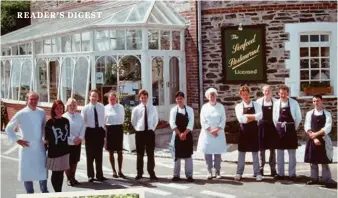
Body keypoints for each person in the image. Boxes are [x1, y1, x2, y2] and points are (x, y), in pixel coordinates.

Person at [5, 92, 48, 194]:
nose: (33, 101)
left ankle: (45, 192)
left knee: (42, 172)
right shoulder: (21, 113)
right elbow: (9, 128)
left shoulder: (41, 112)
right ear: (27, 100)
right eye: (31, 99)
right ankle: (30, 194)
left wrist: (46, 140)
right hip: (26, 148)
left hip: (39, 147)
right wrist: (17, 140)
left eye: (35, 99)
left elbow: (44, 128)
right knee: (27, 173)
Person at [273, 85, 302, 181]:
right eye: (281, 93)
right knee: (279, 153)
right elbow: (274, 118)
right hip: (280, 130)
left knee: (292, 153)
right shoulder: (276, 103)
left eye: (285, 93)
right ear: (278, 93)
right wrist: (279, 127)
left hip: (290, 130)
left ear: (288, 93)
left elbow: (298, 118)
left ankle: (292, 174)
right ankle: (280, 173)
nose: (283, 95)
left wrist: (293, 127)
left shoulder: (294, 103)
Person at [304, 95, 334, 188]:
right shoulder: (309, 113)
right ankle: (314, 178)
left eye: (317, 101)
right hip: (313, 139)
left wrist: (316, 135)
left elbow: (327, 127)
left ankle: (326, 179)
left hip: (323, 140)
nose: (316, 103)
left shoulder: (327, 114)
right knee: (313, 161)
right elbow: (307, 126)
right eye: (314, 101)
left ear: (322, 101)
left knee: (324, 161)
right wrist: (314, 137)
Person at [197, 88, 227, 180]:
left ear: (216, 96)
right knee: (208, 153)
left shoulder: (220, 107)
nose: (212, 97)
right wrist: (210, 130)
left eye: (214, 95)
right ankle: (209, 171)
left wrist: (217, 130)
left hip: (218, 132)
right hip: (207, 133)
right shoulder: (204, 107)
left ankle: (217, 170)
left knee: (217, 153)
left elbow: (223, 119)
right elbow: (203, 120)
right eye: (210, 95)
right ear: (208, 97)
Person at [234, 86, 263, 181]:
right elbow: (241, 119)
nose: (245, 96)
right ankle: (239, 173)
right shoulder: (238, 106)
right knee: (241, 153)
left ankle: (257, 173)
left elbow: (260, 116)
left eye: (247, 94)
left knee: (255, 152)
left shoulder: (256, 105)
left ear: (249, 94)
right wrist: (253, 117)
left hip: (254, 131)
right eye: (243, 95)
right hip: (243, 133)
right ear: (241, 96)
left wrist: (246, 115)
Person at [131, 89, 159, 180]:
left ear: (148, 98)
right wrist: (138, 129)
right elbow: (133, 121)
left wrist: (152, 129)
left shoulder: (153, 108)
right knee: (140, 154)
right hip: (140, 132)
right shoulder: (136, 109)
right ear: (139, 98)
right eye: (142, 98)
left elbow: (155, 120)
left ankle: (151, 172)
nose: (144, 99)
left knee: (150, 153)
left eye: (145, 98)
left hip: (150, 132)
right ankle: (139, 173)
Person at [81, 89, 107, 182]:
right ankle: (90, 175)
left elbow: (104, 121)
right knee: (90, 155)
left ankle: (100, 175)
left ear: (98, 98)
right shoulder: (85, 108)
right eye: (92, 96)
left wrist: (104, 135)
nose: (94, 98)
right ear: (89, 97)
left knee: (99, 155)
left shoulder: (102, 107)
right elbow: (83, 123)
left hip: (99, 131)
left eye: (95, 96)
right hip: (90, 132)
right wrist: (82, 136)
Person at [45, 100, 70, 192]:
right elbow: (47, 139)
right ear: (53, 110)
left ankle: (60, 192)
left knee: (61, 173)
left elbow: (67, 136)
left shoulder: (66, 121)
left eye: (61, 108)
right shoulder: (50, 122)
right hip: (54, 151)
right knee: (55, 173)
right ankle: (57, 192)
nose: (59, 110)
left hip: (64, 150)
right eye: (57, 108)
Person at [169, 91, 194, 182]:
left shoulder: (190, 110)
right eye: (178, 98)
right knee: (177, 156)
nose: (179, 100)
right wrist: (179, 134)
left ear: (184, 99)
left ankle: (189, 175)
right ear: (176, 100)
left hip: (187, 135)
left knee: (188, 156)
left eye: (181, 98)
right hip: (177, 135)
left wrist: (185, 133)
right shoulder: (173, 110)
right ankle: (176, 175)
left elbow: (191, 123)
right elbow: (172, 123)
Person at [256, 85, 278, 176]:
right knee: (262, 149)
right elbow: (257, 115)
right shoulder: (258, 102)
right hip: (262, 126)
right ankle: (261, 168)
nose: (267, 92)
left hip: (272, 127)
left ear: (271, 91)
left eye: (268, 90)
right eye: (265, 90)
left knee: (272, 149)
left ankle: (273, 169)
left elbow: (277, 114)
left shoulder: (276, 102)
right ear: (263, 91)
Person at [63, 98, 85, 186]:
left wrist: (80, 138)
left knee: (74, 161)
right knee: (67, 162)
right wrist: (73, 139)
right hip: (68, 143)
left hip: (77, 143)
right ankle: (69, 178)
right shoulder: (64, 117)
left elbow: (83, 127)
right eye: (70, 105)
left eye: (74, 105)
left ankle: (73, 177)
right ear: (67, 106)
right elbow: (65, 131)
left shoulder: (79, 116)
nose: (72, 107)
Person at [104, 92, 126, 178]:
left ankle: (120, 170)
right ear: (108, 99)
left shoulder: (120, 107)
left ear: (116, 99)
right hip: (109, 129)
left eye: (113, 99)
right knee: (111, 151)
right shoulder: (105, 108)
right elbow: (103, 121)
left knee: (120, 151)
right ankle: (114, 170)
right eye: (111, 99)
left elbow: (123, 118)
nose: (112, 101)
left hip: (118, 129)